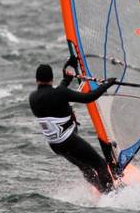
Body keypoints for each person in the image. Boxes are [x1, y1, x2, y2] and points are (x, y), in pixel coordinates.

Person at [29, 55, 117, 193]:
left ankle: (101, 190)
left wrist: (66, 80)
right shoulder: (59, 93)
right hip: (68, 140)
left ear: (36, 80)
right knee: (100, 164)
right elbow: (89, 97)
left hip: (55, 145)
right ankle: (113, 195)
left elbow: (56, 95)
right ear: (52, 79)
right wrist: (107, 85)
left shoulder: (33, 97)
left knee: (85, 167)